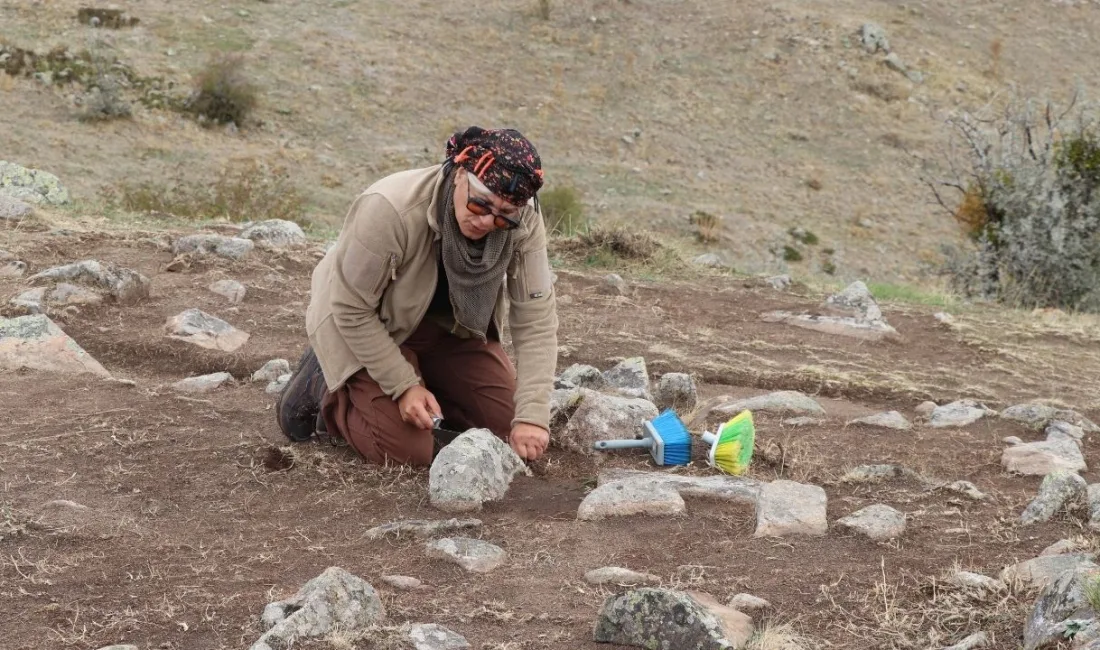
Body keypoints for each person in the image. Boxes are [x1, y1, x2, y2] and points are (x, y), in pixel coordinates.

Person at [275, 126, 558, 466]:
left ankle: (428, 385)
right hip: (368, 325)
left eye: (503, 219)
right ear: (458, 174)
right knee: (411, 451)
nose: (486, 221)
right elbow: (350, 308)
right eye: (479, 204)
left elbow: (535, 318)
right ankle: (325, 392)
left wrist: (532, 416)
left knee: (507, 427)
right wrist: (404, 385)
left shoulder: (523, 218)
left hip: (451, 331)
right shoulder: (389, 208)